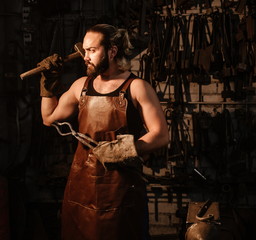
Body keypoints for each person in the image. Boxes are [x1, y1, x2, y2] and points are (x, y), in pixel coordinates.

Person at [38, 24, 169, 240]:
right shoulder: (81, 86)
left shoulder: (137, 87)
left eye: (92, 50)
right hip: (81, 189)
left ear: (112, 51)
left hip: (121, 191)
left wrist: (124, 150)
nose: (85, 57)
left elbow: (161, 135)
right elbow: (48, 118)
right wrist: (47, 87)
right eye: (85, 50)